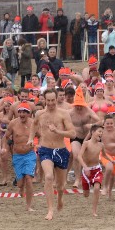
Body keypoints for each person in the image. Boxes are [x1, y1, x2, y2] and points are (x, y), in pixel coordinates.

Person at [33, 88, 75, 220]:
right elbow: (34, 125)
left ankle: (60, 198)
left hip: (61, 150)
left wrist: (58, 131)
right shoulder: (39, 113)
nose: (51, 103)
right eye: (48, 100)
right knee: (49, 177)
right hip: (45, 149)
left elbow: (72, 133)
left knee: (61, 186)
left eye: (53, 100)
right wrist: (30, 138)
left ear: (56, 99)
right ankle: (50, 210)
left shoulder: (64, 114)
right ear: (44, 100)